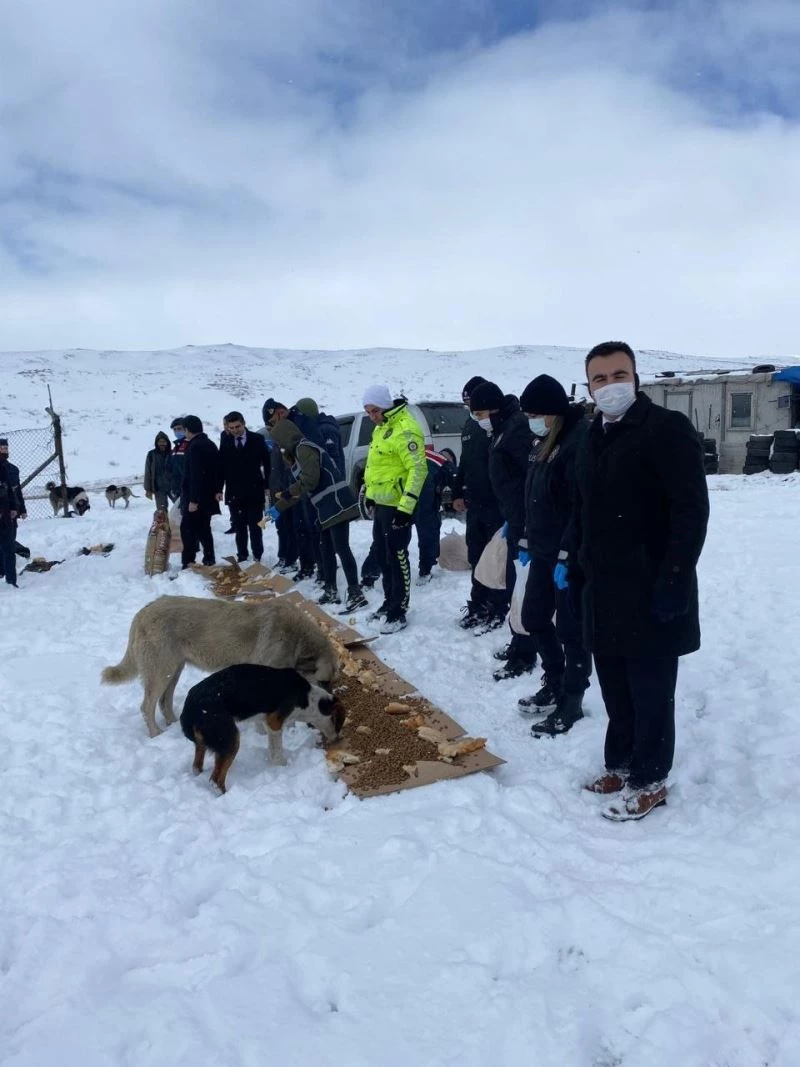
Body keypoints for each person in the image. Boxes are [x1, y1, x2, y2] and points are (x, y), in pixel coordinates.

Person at [562, 341, 709, 821]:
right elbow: (582, 507)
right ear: (589, 386)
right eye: (600, 379)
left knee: (651, 690)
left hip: (651, 586)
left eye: (618, 375)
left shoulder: (666, 430)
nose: (610, 385)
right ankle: (620, 763)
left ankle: (649, 779)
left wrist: (673, 579)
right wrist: (573, 559)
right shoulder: (588, 436)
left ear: (636, 378)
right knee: (615, 687)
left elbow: (691, 512)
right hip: (602, 588)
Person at [514, 375, 591, 736]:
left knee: (571, 631)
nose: (531, 419)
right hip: (543, 550)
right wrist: (527, 538)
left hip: (568, 555)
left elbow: (580, 505)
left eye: (535, 413)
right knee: (533, 618)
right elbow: (533, 495)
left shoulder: (577, 442)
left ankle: (572, 699)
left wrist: (567, 553)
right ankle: (555, 679)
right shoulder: (540, 442)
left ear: (552, 412)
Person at [468, 381, 537, 680]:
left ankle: (526, 651)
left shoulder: (516, 430)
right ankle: (518, 642)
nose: (477, 419)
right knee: (513, 588)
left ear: (494, 409)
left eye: (480, 412)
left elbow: (530, 480)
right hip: (514, 519)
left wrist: (525, 522)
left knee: (522, 591)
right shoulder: (499, 430)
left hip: (526, 523)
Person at [268, 416, 367, 612]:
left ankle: (356, 592)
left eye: (279, 443)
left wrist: (289, 491)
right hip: (325, 508)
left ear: (286, 437)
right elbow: (303, 490)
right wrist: (277, 509)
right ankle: (330, 589)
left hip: (337, 504)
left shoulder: (304, 448)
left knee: (341, 548)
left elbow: (310, 481)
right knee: (325, 548)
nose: (279, 448)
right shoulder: (296, 455)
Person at [361, 385, 427, 634]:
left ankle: (399, 610)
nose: (372, 416)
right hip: (381, 504)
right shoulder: (382, 429)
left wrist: (405, 508)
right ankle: (389, 601)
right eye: (368, 412)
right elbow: (375, 467)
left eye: (375, 410)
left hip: (399, 506)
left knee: (397, 557)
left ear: (386, 406)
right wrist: (369, 496)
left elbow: (418, 470)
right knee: (381, 554)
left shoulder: (405, 428)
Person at [452, 376, 508, 630]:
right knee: (476, 555)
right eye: (467, 407)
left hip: (497, 505)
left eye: (474, 407)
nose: (472, 412)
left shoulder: (498, 426)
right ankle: (478, 603)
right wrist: (456, 492)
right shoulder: (469, 426)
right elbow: (464, 463)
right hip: (475, 504)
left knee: (495, 559)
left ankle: (498, 606)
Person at [263, 398, 322, 583]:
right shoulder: (282, 433)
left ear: (280, 412)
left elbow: (311, 461)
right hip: (294, 486)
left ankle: (321, 568)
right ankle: (306, 565)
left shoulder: (302, 426)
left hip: (309, 487)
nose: (273, 428)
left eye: (273, 422)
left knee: (312, 529)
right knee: (299, 527)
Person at [219, 411, 270, 563]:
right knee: (239, 526)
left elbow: (267, 464)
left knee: (255, 526)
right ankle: (242, 555)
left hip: (254, 490)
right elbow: (222, 466)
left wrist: (267, 485)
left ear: (244, 423)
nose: (235, 430)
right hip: (234, 491)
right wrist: (218, 488)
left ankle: (257, 555)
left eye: (238, 426)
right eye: (232, 428)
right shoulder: (226, 441)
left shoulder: (257, 439)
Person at [179, 415, 222, 569]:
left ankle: (188, 561)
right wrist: (217, 489)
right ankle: (209, 558)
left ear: (188, 430)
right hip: (209, 496)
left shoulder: (194, 446)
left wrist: (193, 500)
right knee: (204, 528)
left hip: (197, 497)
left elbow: (196, 475)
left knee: (187, 529)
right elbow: (218, 470)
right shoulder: (210, 444)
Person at [414, 445, 457, 583]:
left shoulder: (423, 452)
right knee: (429, 531)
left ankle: (371, 573)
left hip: (401, 493)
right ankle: (425, 571)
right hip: (423, 498)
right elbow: (457, 479)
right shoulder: (444, 462)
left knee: (390, 535)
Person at [0, 438, 27, 588]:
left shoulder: (11, 469)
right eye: (1, 448)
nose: (4, 450)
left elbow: (14, 492)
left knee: (8, 544)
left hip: (9, 513)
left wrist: (20, 509)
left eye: (5, 448)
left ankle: (10, 580)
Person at [143, 432, 173, 511]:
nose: (162, 444)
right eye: (160, 442)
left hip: (173, 486)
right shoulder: (151, 454)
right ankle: (164, 523)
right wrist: (147, 489)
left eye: (164, 442)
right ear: (156, 443)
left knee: (180, 506)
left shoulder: (173, 453)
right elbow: (148, 472)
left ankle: (181, 523)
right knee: (161, 510)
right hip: (159, 488)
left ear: (167, 442)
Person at [169, 418, 189, 507]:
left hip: (187, 488)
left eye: (179, 428)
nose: (177, 431)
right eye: (175, 429)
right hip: (177, 489)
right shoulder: (175, 448)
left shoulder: (190, 444)